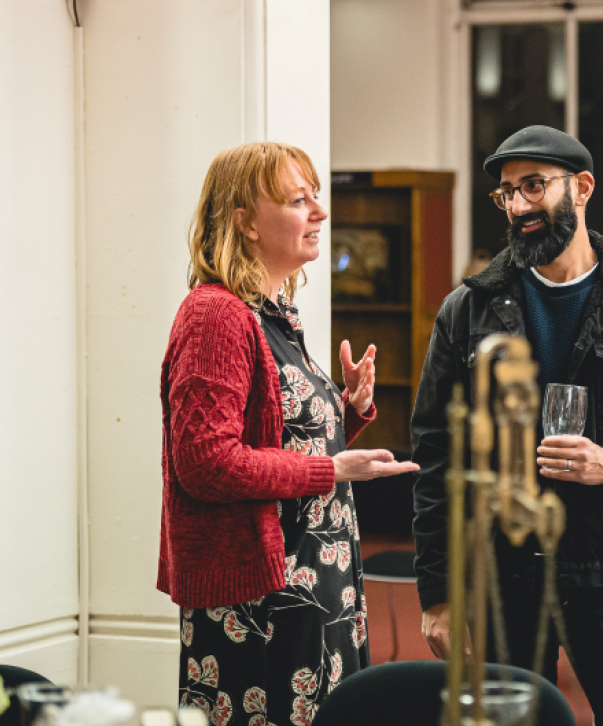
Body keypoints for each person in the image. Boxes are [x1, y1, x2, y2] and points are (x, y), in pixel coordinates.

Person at [410, 126, 603, 726]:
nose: (520, 205)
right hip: (502, 577)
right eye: (507, 193)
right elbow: (437, 461)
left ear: (581, 189)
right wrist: (440, 595)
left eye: (535, 186)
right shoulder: (467, 310)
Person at [158, 141, 418, 726]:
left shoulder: (273, 313)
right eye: (300, 200)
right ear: (246, 222)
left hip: (311, 586)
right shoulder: (216, 313)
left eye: (315, 198)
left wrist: (344, 412)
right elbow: (204, 460)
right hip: (261, 601)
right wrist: (334, 468)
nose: (321, 214)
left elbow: (278, 443)